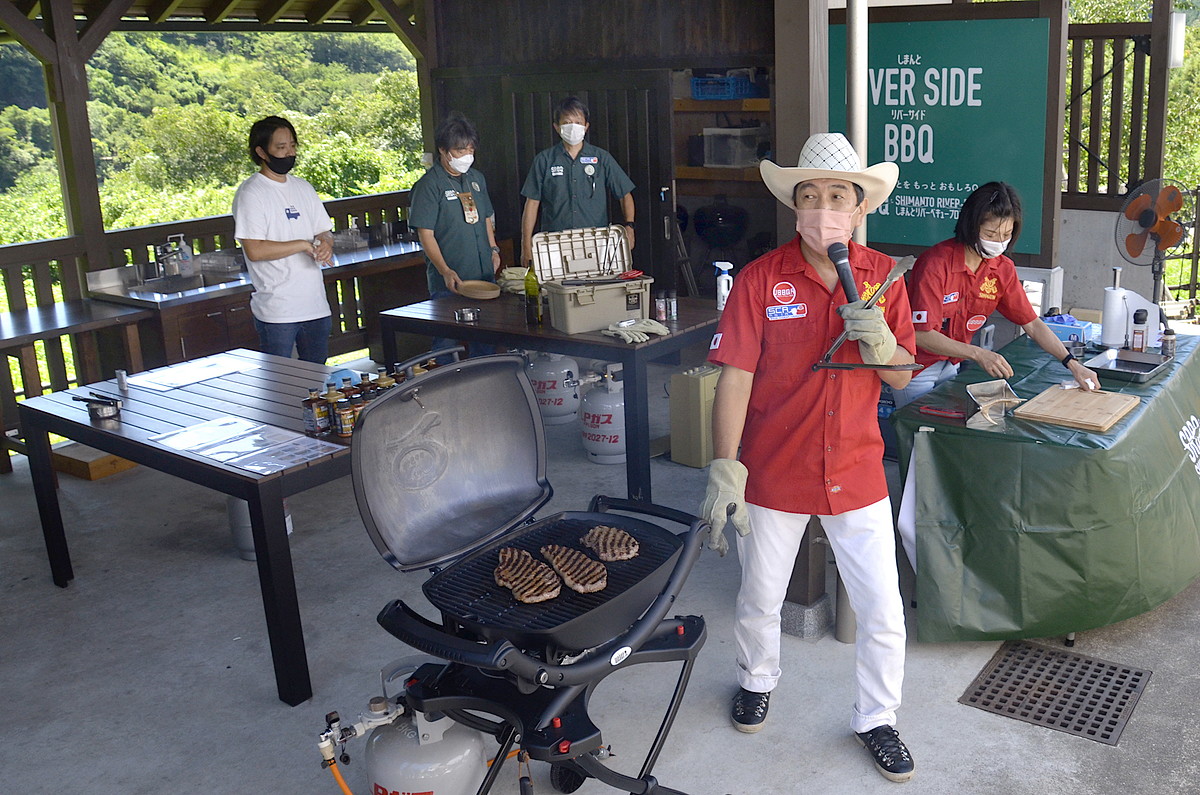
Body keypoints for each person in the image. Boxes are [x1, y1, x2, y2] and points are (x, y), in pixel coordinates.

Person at [701, 132, 918, 783]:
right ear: (795, 207)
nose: (824, 209)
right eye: (811, 196)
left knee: (882, 608)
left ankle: (878, 717)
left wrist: (880, 342)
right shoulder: (760, 279)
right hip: (774, 470)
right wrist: (724, 464)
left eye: (837, 197)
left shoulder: (884, 278)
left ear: (858, 209)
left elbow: (904, 376)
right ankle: (756, 678)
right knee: (760, 596)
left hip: (856, 469)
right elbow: (734, 375)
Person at [891, 181, 1099, 408]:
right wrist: (979, 354)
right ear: (971, 226)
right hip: (915, 367)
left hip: (952, 364)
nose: (998, 242)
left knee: (945, 430)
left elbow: (1032, 324)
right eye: (990, 233)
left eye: (1006, 234)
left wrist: (1072, 363)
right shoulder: (935, 264)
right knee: (916, 431)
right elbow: (921, 334)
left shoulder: (1002, 269)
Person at [232, 115, 334, 364]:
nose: (289, 152)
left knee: (318, 383)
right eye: (281, 147)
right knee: (280, 385)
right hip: (277, 309)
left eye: (292, 146)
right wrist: (302, 244)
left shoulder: (303, 187)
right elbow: (255, 250)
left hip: (315, 303)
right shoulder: (251, 193)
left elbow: (323, 230)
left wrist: (325, 244)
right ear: (262, 152)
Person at [408, 112, 502, 358]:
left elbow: (485, 219)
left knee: (486, 336)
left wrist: (493, 249)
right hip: (450, 279)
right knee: (446, 341)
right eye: (460, 150)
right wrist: (445, 270)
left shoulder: (476, 179)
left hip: (482, 276)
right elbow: (425, 233)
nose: (467, 156)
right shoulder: (429, 185)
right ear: (443, 150)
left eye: (471, 150)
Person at [519, 97, 636, 267]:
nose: (573, 126)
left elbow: (625, 194)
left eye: (578, 122)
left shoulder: (601, 158)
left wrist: (630, 227)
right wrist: (526, 245)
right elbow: (531, 204)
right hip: (554, 243)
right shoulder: (544, 160)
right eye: (567, 122)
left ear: (586, 126)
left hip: (595, 242)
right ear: (556, 127)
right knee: (555, 289)